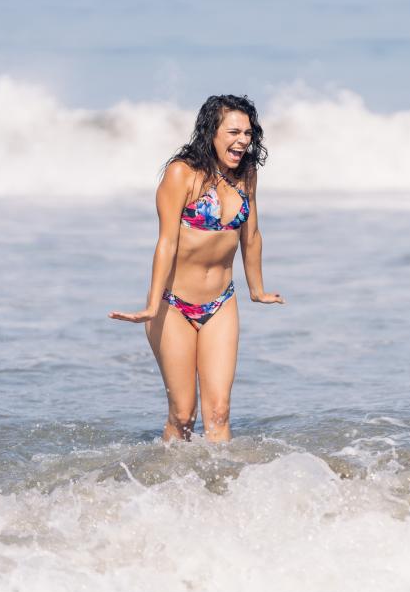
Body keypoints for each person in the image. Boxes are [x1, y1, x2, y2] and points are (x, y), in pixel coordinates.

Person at [109, 94, 284, 441]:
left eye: (248, 133)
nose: (243, 141)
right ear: (211, 132)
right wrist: (151, 303)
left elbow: (252, 236)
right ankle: (170, 487)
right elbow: (167, 242)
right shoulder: (181, 173)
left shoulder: (246, 174)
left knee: (219, 413)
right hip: (172, 304)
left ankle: (220, 492)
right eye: (234, 132)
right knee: (183, 415)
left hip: (221, 302)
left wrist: (257, 289)